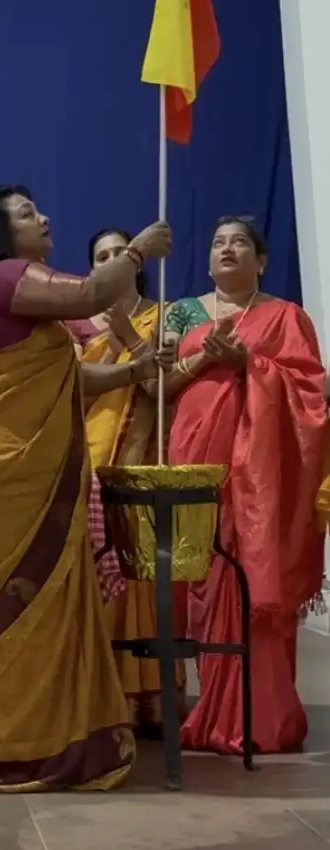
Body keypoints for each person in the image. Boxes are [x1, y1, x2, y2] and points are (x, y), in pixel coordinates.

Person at [0, 187, 171, 792]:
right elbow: (91, 293)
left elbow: (65, 376)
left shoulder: (8, 294)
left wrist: (133, 372)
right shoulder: (4, 276)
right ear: (1, 233)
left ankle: (28, 742)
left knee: (27, 604)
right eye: (30, 214)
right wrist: (138, 251)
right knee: (8, 603)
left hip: (5, 472)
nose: (45, 218)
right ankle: (2, 749)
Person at [162, 216, 327, 755]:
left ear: (261, 261)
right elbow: (162, 394)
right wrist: (200, 360)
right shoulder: (185, 320)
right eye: (216, 243)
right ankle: (213, 709)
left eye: (238, 243)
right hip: (198, 469)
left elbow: (312, 398)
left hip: (260, 482)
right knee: (208, 589)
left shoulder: (285, 317)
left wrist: (250, 362)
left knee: (251, 586)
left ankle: (261, 718)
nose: (226, 249)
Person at [68, 228, 177, 735]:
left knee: (136, 579)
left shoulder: (166, 315)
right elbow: (71, 398)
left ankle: (146, 701)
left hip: (139, 458)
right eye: (101, 255)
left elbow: (162, 389)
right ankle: (97, 694)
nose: (112, 259)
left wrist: (131, 339)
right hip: (86, 462)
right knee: (95, 576)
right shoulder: (74, 328)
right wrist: (108, 350)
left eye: (119, 252)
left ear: (136, 263)